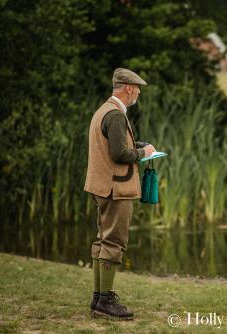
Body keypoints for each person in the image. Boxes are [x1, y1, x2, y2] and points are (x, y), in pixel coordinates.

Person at [84, 68, 155, 319]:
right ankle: (105, 301)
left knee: (102, 241)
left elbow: (113, 146)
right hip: (116, 188)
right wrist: (144, 154)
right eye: (137, 89)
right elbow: (119, 154)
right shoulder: (115, 115)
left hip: (101, 185)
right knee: (114, 242)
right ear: (128, 88)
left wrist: (137, 146)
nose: (138, 92)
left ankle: (98, 298)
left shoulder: (103, 110)